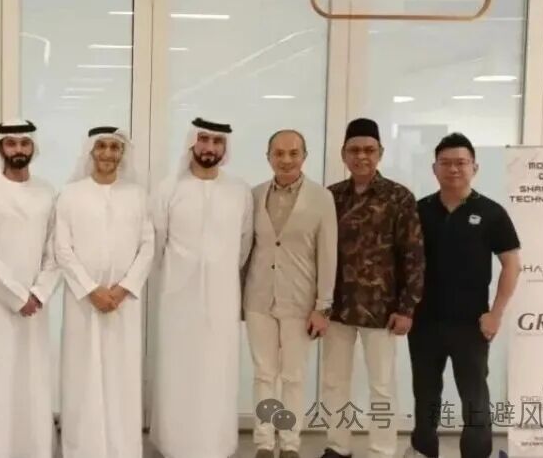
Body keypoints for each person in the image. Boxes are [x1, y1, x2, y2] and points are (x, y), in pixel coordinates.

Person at [406, 133, 521, 458]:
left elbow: (512, 264)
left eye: (461, 162)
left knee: (475, 399)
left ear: (474, 167)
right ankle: (423, 451)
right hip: (424, 322)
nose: (453, 169)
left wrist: (495, 314)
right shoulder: (418, 210)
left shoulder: (491, 212)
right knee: (425, 396)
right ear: (434, 168)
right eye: (445, 163)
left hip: (472, 323)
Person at [150, 117, 254, 458]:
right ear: (192, 142)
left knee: (218, 371)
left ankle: (217, 444)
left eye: (217, 141)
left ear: (225, 147)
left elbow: (243, 245)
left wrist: (217, 272)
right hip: (177, 299)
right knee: (178, 370)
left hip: (223, 298)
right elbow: (157, 243)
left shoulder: (239, 191)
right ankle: (174, 443)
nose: (210, 147)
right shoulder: (168, 189)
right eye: (204, 139)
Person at [321, 118, 425, 458]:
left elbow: (413, 256)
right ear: (343, 154)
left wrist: (407, 307)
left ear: (380, 153)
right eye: (354, 150)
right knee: (334, 382)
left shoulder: (398, 197)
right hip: (337, 306)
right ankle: (337, 446)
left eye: (369, 150)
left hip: (382, 308)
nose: (361, 156)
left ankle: (381, 450)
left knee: (381, 386)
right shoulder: (330, 197)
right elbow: (317, 252)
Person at [54, 126, 154, 458]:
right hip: (83, 301)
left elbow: (148, 246)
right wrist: (91, 289)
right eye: (102, 147)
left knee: (121, 376)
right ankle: (83, 448)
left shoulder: (137, 195)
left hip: (124, 302)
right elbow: (62, 248)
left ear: (122, 153)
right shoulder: (70, 194)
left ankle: (122, 448)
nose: (108, 153)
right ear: (91, 151)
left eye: (115, 147)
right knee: (82, 375)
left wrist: (123, 289)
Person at [0, 119, 61, 458]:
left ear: (33, 147)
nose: (18, 149)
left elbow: (55, 249)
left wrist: (40, 292)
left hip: (35, 306)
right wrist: (17, 296)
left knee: (32, 381)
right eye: (11, 143)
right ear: (0, 148)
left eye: (24, 143)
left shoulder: (47, 192)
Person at [244, 129, 337, 458]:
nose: (286, 160)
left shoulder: (321, 198)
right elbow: (246, 249)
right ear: (268, 157)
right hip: (258, 298)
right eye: (279, 153)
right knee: (263, 373)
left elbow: (328, 255)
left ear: (304, 156)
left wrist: (323, 306)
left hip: (301, 300)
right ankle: (264, 441)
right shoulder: (254, 195)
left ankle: (291, 443)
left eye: (293, 153)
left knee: (294, 376)